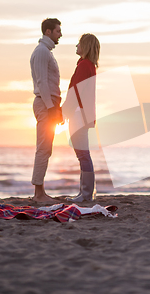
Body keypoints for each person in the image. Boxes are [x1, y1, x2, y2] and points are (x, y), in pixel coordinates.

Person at [64, 33, 100, 202]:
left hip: (79, 114)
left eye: (78, 43)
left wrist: (64, 111)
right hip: (82, 114)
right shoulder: (88, 65)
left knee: (83, 154)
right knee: (82, 154)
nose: (76, 46)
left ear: (84, 46)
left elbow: (75, 92)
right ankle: (84, 193)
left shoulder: (85, 65)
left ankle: (86, 194)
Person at [30, 18, 62, 202]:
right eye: (58, 31)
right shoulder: (42, 52)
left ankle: (40, 192)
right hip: (44, 104)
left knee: (46, 148)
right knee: (43, 148)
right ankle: (38, 194)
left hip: (48, 104)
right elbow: (42, 82)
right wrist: (51, 108)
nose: (60, 34)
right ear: (48, 32)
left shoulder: (46, 52)